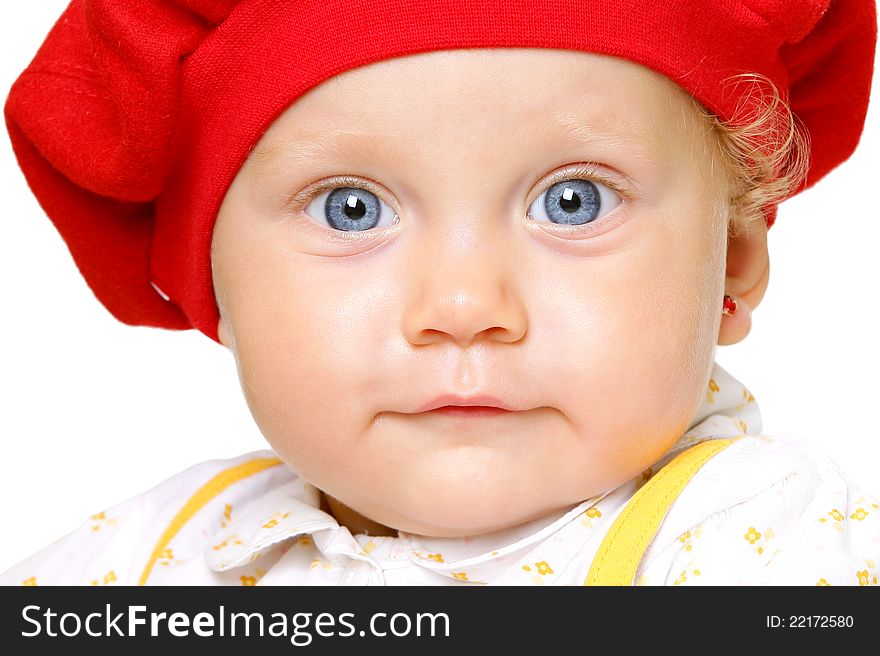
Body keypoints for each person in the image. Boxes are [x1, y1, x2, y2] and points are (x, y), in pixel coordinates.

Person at [1, 0, 878, 586]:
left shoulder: (762, 543)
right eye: (352, 209)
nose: (464, 306)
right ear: (216, 283)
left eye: (573, 203)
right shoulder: (160, 557)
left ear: (729, 258)